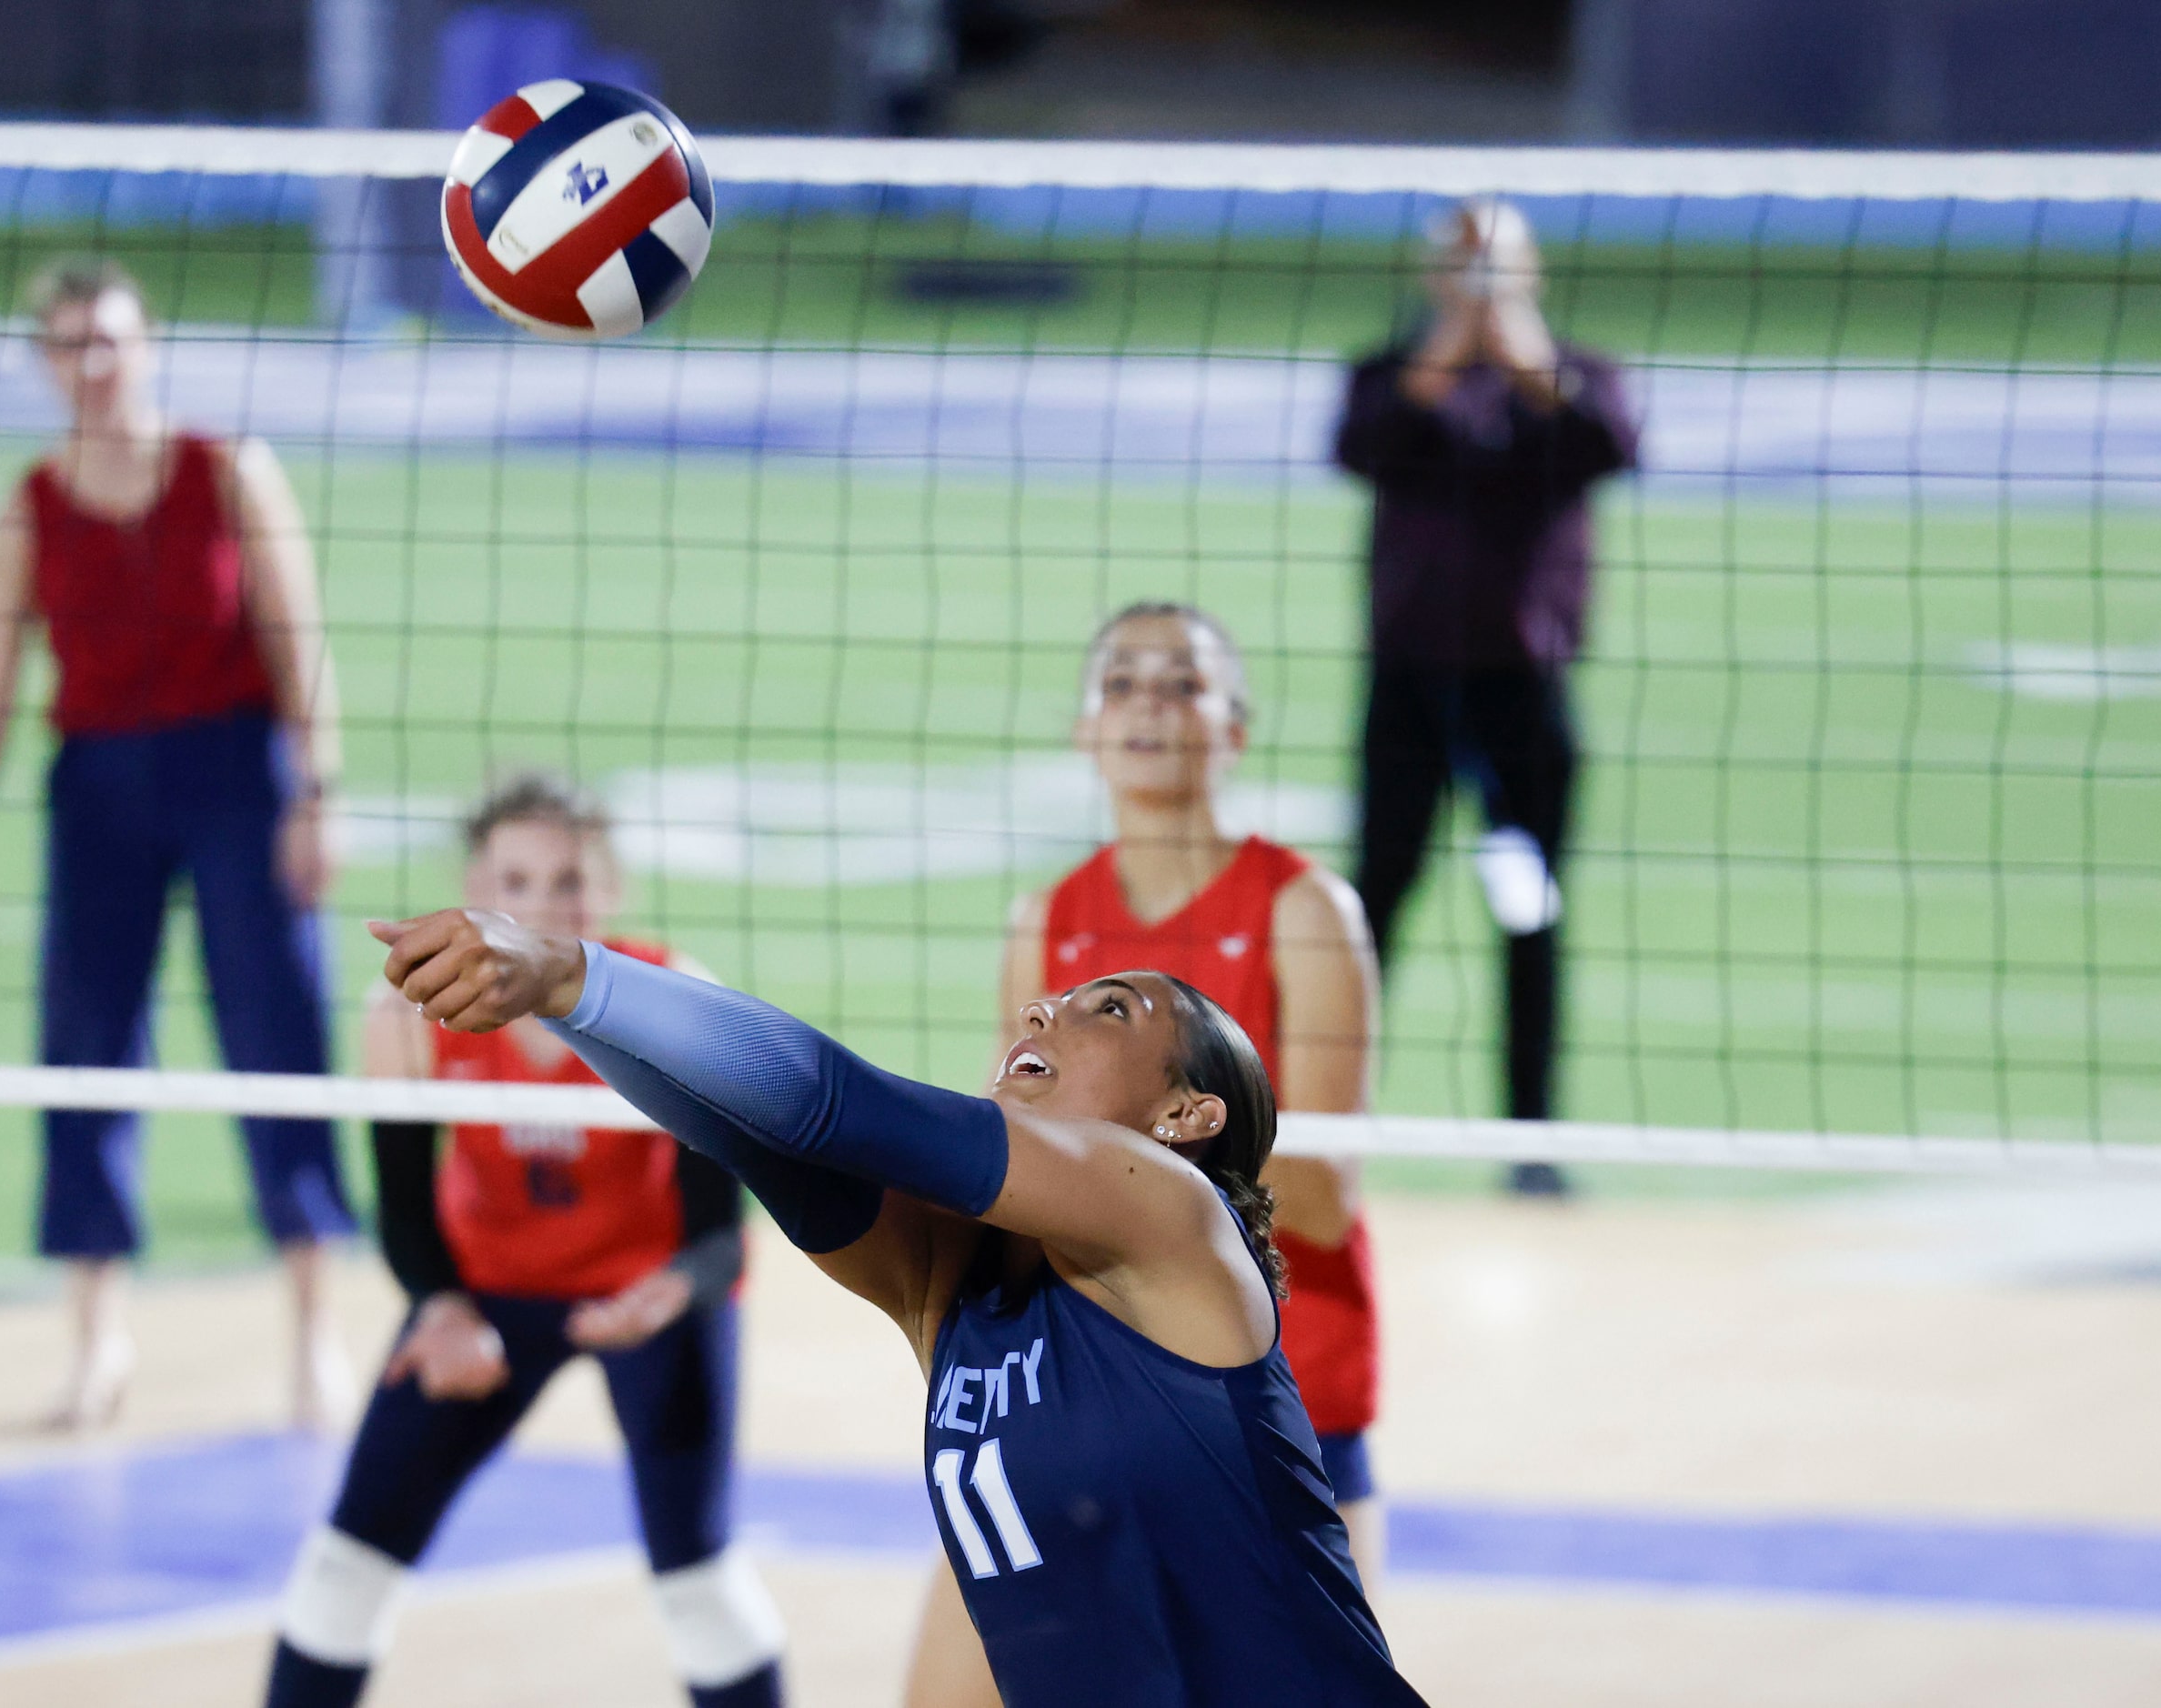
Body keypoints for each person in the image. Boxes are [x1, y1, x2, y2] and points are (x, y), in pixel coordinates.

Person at [367, 933, 1433, 1708]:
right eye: (1052, 998)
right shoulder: (946, 1291)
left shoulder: (1172, 1218)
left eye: (1108, 1009)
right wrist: (552, 1004)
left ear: (1182, 1116)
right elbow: (754, 1132)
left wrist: (568, 971)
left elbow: (834, 1102)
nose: (1041, 1012)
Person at [903, 602, 1387, 1708]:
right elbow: (1002, 1163)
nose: (1148, 705)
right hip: (1061, 1400)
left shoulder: (1303, 909)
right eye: (1121, 683)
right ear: (1084, 730)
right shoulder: (1048, 919)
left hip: (1267, 1406)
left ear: (1235, 730)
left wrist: (1115, 1183)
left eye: (1182, 683)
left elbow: (1317, 1197)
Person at [0, 257, 354, 1429]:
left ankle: (316, 1334)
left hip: (234, 770)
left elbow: (297, 634)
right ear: (43, 363)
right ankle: (98, 1341)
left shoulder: (227, 471)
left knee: (276, 1034)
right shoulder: (31, 506)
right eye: (69, 345)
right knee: (85, 1047)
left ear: (149, 343)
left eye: (109, 339)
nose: (93, 364)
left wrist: (317, 790)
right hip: (99, 787)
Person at [266, 774, 787, 1708]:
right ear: (474, 887)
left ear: (612, 888)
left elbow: (718, 1232)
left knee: (700, 1590)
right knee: (341, 1574)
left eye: (568, 881)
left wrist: (673, 1294)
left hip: (644, 1297)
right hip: (488, 1293)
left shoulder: (675, 1000)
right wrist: (440, 1305)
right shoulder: (406, 1013)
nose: (542, 908)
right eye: (515, 881)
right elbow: (402, 1208)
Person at [1333, 196, 1640, 1197]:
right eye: (1458, 270)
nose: (1474, 288)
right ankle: (1323, 1134)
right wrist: (1450, 342)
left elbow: (1608, 444)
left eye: (1494, 269)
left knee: (1527, 910)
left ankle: (1531, 1141)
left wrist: (1514, 344)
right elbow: (1361, 445)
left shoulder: (1574, 379)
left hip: (1522, 699)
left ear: (1532, 273)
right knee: (1372, 906)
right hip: (1408, 692)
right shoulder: (1389, 377)